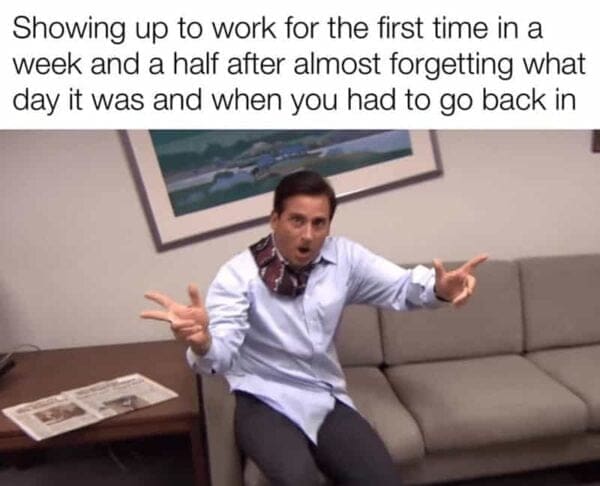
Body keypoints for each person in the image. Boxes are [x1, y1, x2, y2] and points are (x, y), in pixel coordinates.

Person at [141, 170, 487, 486]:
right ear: (274, 219)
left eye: (319, 223)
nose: (308, 234)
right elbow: (220, 357)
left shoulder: (344, 259)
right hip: (263, 397)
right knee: (299, 480)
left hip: (324, 394)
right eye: (297, 220)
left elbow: (401, 286)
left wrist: (439, 289)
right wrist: (202, 343)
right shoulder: (238, 275)